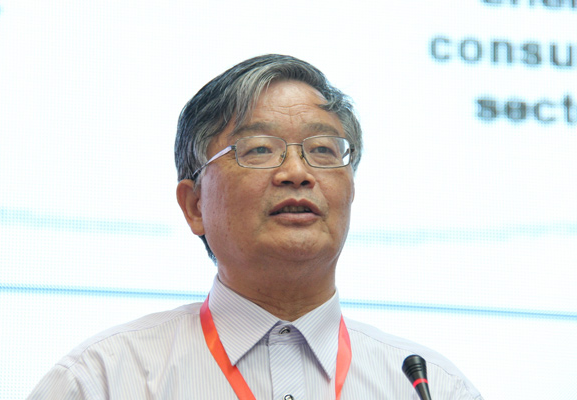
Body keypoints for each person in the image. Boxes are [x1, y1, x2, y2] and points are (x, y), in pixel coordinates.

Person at [28, 54, 483, 399]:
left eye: (323, 150)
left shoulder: (432, 388)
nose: (297, 173)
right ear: (194, 205)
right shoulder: (104, 381)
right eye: (260, 149)